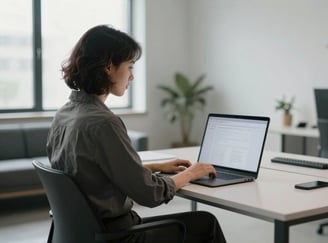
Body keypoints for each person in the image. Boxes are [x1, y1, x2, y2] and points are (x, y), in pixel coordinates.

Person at [46, 25, 227, 243]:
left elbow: (89, 172)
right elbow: (149, 194)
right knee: (206, 223)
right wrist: (191, 173)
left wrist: (156, 167)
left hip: (83, 233)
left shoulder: (64, 114)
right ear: (108, 67)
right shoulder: (103, 123)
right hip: (118, 236)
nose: (131, 77)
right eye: (130, 67)